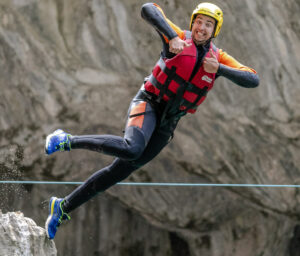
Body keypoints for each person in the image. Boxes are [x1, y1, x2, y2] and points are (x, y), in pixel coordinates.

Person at [44, 2, 259, 239]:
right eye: (199, 22)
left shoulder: (218, 58)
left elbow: (252, 79)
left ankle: (62, 208)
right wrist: (170, 37)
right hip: (148, 102)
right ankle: (66, 140)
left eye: (209, 25)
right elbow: (148, 9)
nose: (202, 28)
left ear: (215, 31)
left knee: (119, 171)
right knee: (132, 148)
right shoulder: (178, 37)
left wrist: (220, 68)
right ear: (192, 23)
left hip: (168, 122)